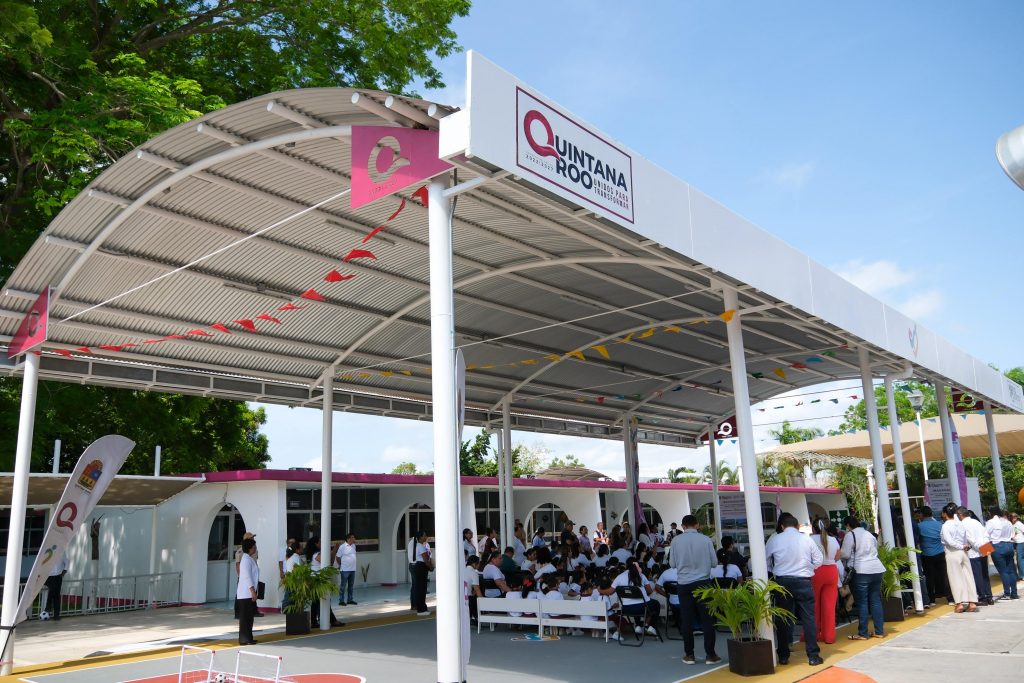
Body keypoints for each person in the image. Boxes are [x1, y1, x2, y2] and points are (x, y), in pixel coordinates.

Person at [766, 515, 823, 665]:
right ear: (797, 526)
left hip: (782, 582)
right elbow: (819, 559)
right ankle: (813, 656)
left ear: (782, 526)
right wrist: (808, 568)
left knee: (782, 619)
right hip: (804, 581)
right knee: (808, 619)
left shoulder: (775, 539)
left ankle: (783, 656)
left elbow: (765, 559)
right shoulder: (806, 539)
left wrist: (774, 570)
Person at [669, 514, 721, 666]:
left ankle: (689, 654)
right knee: (707, 620)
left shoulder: (675, 541)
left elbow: (672, 564)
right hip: (703, 583)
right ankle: (710, 655)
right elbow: (714, 563)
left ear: (683, 526)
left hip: (684, 584)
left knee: (687, 620)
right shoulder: (706, 540)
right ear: (697, 525)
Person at [841, 515, 885, 642]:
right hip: (876, 569)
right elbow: (875, 550)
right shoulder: (869, 534)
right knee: (875, 600)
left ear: (848, 525)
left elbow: (845, 554)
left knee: (862, 602)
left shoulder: (850, 535)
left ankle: (863, 633)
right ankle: (879, 631)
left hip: (861, 571)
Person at [604, 560, 657, 638]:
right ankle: (649, 626)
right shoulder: (641, 575)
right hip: (642, 607)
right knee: (656, 604)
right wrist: (643, 593)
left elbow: (610, 592)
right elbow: (649, 591)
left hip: (626, 608)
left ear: (626, 566)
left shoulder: (619, 577)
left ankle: (638, 625)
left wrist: (600, 590)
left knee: (635, 603)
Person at [941, 503, 978, 613]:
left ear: (945, 514)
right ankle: (972, 602)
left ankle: (959, 603)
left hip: (953, 552)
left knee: (955, 578)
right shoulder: (960, 524)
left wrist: (961, 546)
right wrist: (964, 546)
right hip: (963, 552)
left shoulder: (946, 525)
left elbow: (949, 541)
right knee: (968, 577)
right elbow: (965, 538)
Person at [810, 519, 839, 644]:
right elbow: (837, 556)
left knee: (813, 604)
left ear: (813, 528)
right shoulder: (833, 540)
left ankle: (812, 635)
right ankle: (829, 637)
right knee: (829, 606)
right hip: (831, 571)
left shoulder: (809, 539)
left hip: (815, 571)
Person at [957, 507, 993, 605]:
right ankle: (989, 597)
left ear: (960, 514)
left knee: (977, 576)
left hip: (974, 553)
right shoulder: (976, 522)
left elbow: (970, 539)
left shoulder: (963, 524)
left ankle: (982, 597)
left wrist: (979, 548)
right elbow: (986, 535)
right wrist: (984, 547)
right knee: (984, 574)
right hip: (984, 550)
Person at [916, 506, 950, 606]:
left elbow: (918, 540)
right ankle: (949, 598)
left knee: (929, 577)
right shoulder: (940, 524)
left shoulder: (919, 526)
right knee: (944, 576)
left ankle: (931, 599)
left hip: (926, 555)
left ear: (922, 515)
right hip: (941, 553)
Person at [985, 508, 1019, 600]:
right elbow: (1013, 535)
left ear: (991, 513)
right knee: (1011, 570)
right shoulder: (1007, 522)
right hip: (1009, 545)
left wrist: (985, 552)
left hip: (997, 546)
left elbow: (986, 536)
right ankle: (1014, 593)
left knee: (1003, 571)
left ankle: (1007, 593)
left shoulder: (991, 522)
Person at [235, 532, 264, 619]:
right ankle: (237, 612)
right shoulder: (241, 552)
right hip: (244, 577)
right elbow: (238, 565)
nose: (253, 539)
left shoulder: (253, 550)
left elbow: (255, 562)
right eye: (251, 538)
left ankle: (254, 611)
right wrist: (240, 576)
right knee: (242, 597)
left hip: (252, 575)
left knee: (252, 596)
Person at [237, 537, 260, 645]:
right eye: (254, 547)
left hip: (248, 593)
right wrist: (252, 591)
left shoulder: (248, 558)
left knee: (249, 617)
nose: (255, 549)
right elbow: (247, 577)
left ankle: (248, 637)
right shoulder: (246, 560)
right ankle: (245, 639)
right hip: (246, 594)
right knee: (245, 618)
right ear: (249, 548)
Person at [412, 530, 432, 615]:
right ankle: (421, 609)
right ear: (420, 537)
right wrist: (431, 567)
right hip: (421, 567)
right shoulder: (421, 546)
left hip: (420, 567)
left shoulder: (419, 545)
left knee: (421, 588)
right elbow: (426, 559)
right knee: (421, 589)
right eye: (424, 535)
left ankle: (422, 607)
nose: (426, 537)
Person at [44, 551, 67, 621]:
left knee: (56, 595)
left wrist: (64, 571)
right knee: (52, 590)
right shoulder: (47, 551)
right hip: (48, 576)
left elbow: (67, 562)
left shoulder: (61, 551)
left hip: (58, 576)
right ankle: (48, 608)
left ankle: (56, 615)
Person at [336, 533, 358, 606]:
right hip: (345, 569)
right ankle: (341, 601)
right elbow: (337, 557)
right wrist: (341, 564)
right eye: (353, 537)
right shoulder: (342, 547)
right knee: (343, 586)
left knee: (351, 586)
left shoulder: (354, 546)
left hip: (353, 569)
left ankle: (350, 600)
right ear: (348, 539)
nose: (354, 539)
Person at [1011, 512, 1024, 579]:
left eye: (1014, 517)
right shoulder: (1013, 524)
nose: (1013, 518)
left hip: (1020, 542)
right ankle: (1021, 574)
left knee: (1020, 559)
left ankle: (1022, 575)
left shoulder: (1019, 524)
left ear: (1016, 517)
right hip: (1015, 542)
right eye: (1012, 517)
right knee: (1019, 558)